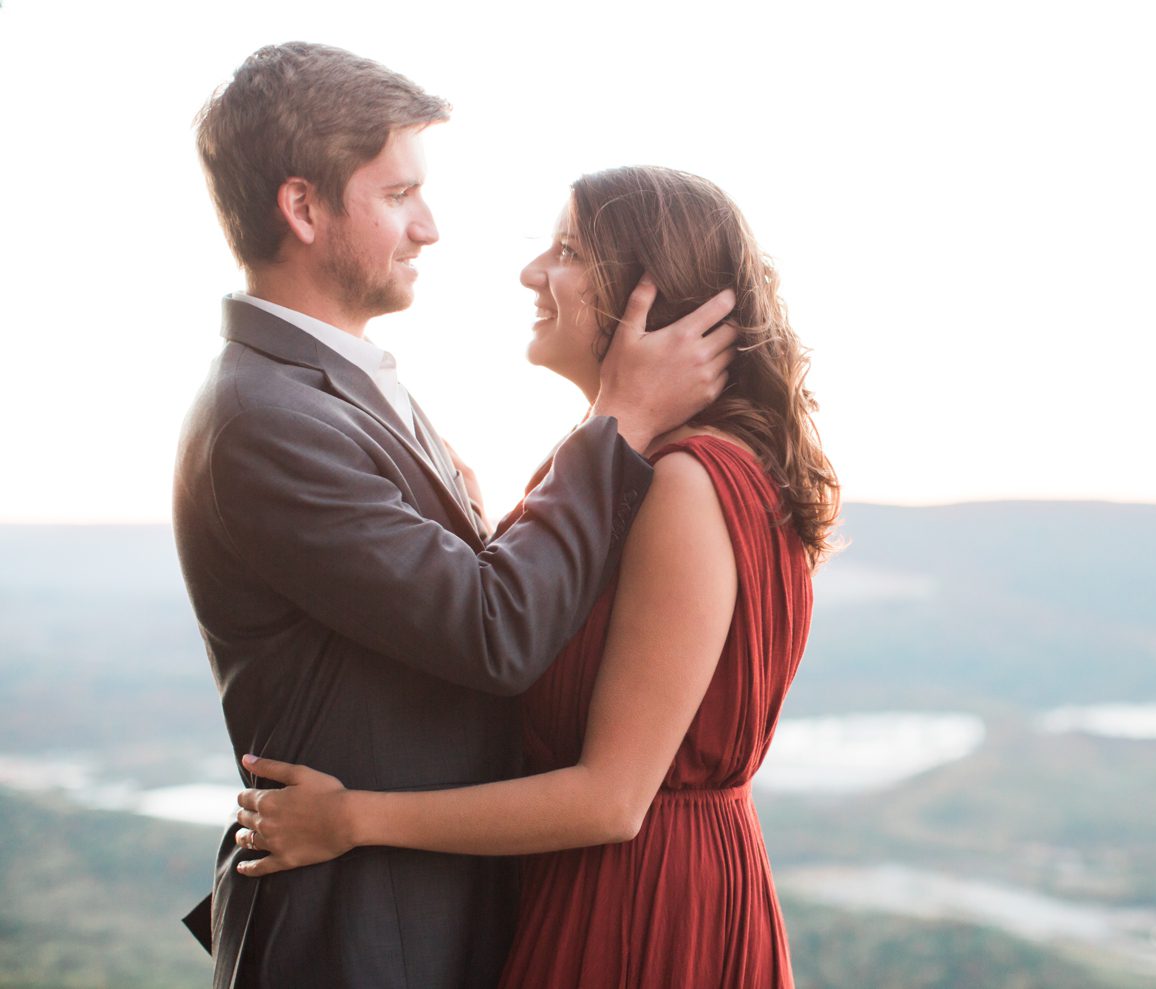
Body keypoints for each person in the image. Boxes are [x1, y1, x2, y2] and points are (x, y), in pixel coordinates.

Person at [174, 45, 737, 989]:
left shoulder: (339, 388)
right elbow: (494, 629)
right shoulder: (263, 420)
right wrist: (621, 421)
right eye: (397, 195)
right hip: (363, 936)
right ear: (303, 208)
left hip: (438, 912)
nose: (429, 227)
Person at [227, 166, 840, 987]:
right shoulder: (632, 472)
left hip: (640, 912)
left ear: (646, 300)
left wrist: (352, 819)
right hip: (603, 889)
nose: (531, 273)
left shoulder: (689, 485)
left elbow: (611, 800)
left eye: (569, 251)